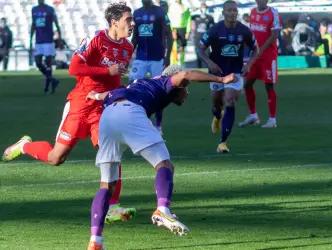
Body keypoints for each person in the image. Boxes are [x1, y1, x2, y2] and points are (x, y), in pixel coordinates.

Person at [3, 3, 136, 223]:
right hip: (79, 104)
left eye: (131, 20)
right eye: (128, 20)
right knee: (56, 158)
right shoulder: (95, 39)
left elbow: (114, 79)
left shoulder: (127, 48)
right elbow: (74, 68)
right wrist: (107, 70)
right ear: (114, 22)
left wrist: (120, 94)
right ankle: (24, 146)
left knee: (110, 153)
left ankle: (113, 205)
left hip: (101, 109)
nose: (132, 24)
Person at [86, 65, 236, 249]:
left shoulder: (136, 84)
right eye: (185, 88)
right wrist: (221, 80)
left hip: (107, 118)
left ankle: (96, 240)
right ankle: (163, 210)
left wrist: (94, 95)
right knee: (164, 164)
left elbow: (103, 95)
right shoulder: (165, 82)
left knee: (106, 184)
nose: (186, 93)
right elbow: (186, 73)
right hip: (130, 113)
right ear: (178, 85)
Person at [198, 0, 258, 153]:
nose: (233, 13)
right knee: (217, 104)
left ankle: (223, 143)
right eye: (229, 10)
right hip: (217, 73)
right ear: (223, 12)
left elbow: (255, 49)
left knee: (230, 101)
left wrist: (249, 64)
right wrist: (210, 63)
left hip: (235, 72)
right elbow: (200, 49)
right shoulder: (215, 30)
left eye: (235, 10)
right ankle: (217, 116)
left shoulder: (244, 30)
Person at [239, 0, 282, 128]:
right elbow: (252, 33)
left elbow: (274, 35)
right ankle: (253, 115)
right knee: (247, 84)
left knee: (269, 86)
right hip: (255, 55)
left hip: (268, 56)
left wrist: (260, 50)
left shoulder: (273, 13)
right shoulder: (252, 12)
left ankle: (272, 120)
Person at [130, 0, 171, 81]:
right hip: (140, 57)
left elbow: (169, 36)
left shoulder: (160, 11)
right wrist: (128, 57)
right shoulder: (136, 13)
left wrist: (168, 56)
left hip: (157, 58)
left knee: (157, 85)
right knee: (133, 83)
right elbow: (135, 38)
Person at [30, 0, 61, 94]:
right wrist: (30, 39)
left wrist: (59, 39)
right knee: (38, 62)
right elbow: (33, 24)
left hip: (48, 40)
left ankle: (48, 87)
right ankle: (52, 80)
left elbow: (56, 24)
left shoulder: (50, 9)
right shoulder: (34, 9)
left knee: (48, 64)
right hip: (38, 40)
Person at [191, 2, 214, 68]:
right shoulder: (195, 17)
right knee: (198, 54)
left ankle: (208, 70)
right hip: (197, 38)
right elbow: (192, 26)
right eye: (202, 8)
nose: (204, 9)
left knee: (207, 54)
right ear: (200, 8)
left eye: (205, 8)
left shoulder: (210, 17)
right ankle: (199, 70)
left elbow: (212, 28)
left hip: (205, 38)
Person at [168, 0, 191, 66]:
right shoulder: (172, 6)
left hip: (183, 29)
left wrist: (188, 31)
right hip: (174, 29)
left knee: (182, 48)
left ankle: (181, 64)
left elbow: (189, 19)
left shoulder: (186, 7)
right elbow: (169, 19)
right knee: (174, 48)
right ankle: (173, 65)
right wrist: (172, 30)